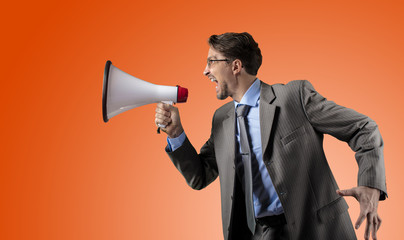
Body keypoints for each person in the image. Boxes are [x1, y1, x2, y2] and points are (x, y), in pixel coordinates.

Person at [154, 32, 387, 240]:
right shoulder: (221, 120)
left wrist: (370, 184)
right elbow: (200, 176)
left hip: (317, 230)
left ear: (236, 66)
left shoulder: (294, 97)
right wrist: (175, 133)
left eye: (211, 61)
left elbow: (363, 128)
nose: (205, 71)